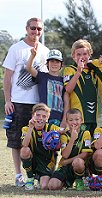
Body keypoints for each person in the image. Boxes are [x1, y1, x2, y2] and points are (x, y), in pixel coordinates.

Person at [2, 17, 49, 186]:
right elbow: (7, 78)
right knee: (16, 140)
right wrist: (8, 100)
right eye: (33, 28)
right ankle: (17, 175)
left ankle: (35, 174)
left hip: (38, 104)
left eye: (39, 29)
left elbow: (46, 78)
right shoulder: (16, 49)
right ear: (26, 28)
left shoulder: (45, 51)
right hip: (18, 102)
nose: (36, 32)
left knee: (36, 141)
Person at [48, 108, 93, 191]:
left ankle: (79, 179)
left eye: (77, 119)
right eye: (71, 120)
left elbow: (85, 154)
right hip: (65, 167)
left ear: (81, 120)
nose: (74, 122)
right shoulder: (64, 135)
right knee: (52, 186)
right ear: (67, 121)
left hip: (78, 165)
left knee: (78, 161)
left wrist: (67, 161)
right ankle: (67, 182)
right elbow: (65, 155)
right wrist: (72, 139)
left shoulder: (86, 133)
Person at [20, 103, 61, 190]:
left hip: (47, 162)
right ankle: (30, 178)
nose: (40, 118)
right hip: (33, 159)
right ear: (32, 115)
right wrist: (31, 127)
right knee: (24, 150)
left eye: (44, 116)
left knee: (44, 186)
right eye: (38, 115)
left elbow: (64, 130)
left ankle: (40, 178)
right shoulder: (26, 128)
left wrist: (61, 132)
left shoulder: (52, 128)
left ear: (47, 118)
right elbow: (24, 144)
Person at [63, 39, 98, 134]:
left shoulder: (94, 70)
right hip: (78, 118)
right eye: (78, 54)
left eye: (85, 54)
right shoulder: (70, 69)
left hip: (94, 117)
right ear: (73, 56)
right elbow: (68, 89)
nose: (82, 57)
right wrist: (79, 72)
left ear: (89, 55)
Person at [26, 47, 66, 127]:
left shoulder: (64, 80)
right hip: (43, 117)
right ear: (47, 63)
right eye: (52, 61)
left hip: (58, 117)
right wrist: (32, 56)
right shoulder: (42, 76)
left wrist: (64, 120)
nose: (54, 64)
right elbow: (29, 68)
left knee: (56, 139)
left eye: (57, 62)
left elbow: (66, 100)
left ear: (61, 64)